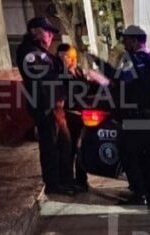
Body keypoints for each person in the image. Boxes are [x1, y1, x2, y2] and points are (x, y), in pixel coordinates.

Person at [92, 25, 150, 209]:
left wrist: (98, 63)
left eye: (126, 40)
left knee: (129, 156)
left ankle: (140, 194)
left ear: (134, 41)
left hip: (137, 119)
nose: (124, 43)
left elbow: (119, 78)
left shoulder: (132, 60)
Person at [16, 17, 73, 196]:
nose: (50, 35)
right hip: (45, 107)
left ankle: (66, 181)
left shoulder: (43, 53)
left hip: (56, 106)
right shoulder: (29, 52)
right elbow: (43, 77)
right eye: (46, 31)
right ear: (34, 30)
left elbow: (59, 72)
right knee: (51, 145)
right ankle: (54, 184)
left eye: (51, 32)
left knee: (64, 144)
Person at [56, 43, 90, 193]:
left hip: (82, 116)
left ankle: (81, 180)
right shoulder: (59, 75)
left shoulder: (79, 73)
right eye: (62, 57)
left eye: (67, 57)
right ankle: (68, 181)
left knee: (81, 149)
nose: (67, 60)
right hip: (67, 116)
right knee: (68, 150)